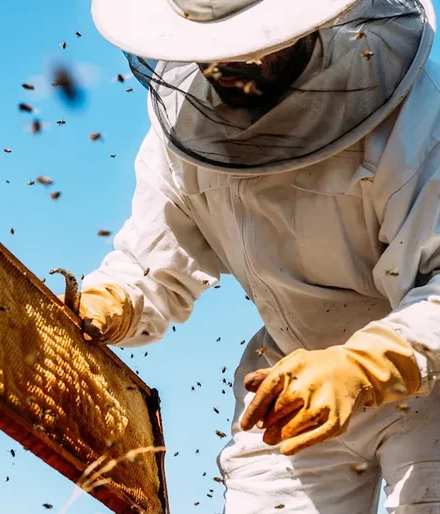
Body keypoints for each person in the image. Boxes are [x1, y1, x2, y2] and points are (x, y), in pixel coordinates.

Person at [80, 0, 440, 511]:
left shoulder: (418, 113)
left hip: (427, 375)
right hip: (287, 378)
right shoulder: (185, 119)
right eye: (209, 46)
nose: (223, 66)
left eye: (245, 46)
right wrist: (115, 301)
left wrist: (363, 365)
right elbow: (156, 260)